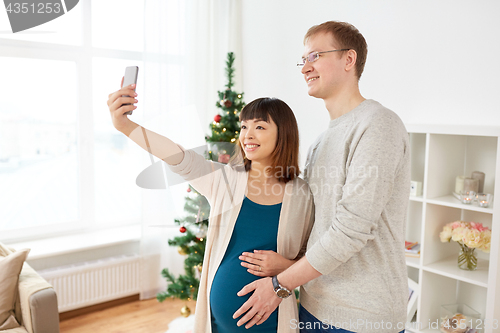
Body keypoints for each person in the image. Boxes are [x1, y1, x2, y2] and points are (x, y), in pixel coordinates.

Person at [235, 21, 410, 333]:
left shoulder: (378, 124)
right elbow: (320, 226)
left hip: (362, 316)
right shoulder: (320, 142)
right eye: (303, 60)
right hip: (314, 304)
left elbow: (351, 230)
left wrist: (278, 284)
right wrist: (290, 265)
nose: (305, 68)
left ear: (348, 59)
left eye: (314, 56)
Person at [107, 89, 314, 333]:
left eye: (259, 127)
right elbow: (177, 156)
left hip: (272, 321)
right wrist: (125, 125)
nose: (247, 135)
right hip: (217, 325)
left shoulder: (302, 195)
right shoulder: (225, 179)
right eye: (244, 127)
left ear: (284, 134)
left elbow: (315, 257)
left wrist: (286, 266)